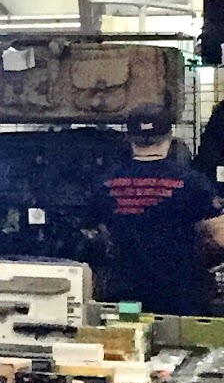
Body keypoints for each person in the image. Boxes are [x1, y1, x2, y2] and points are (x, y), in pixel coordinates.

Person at [94, 103, 224, 317]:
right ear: (170, 136)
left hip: (126, 294)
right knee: (179, 338)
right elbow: (220, 235)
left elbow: (98, 234)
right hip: (181, 298)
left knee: (131, 334)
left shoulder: (106, 183)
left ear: (129, 138)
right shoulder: (191, 182)